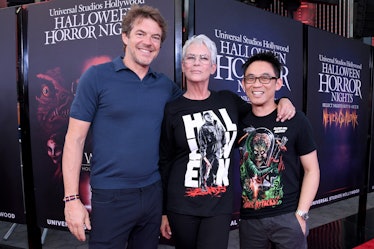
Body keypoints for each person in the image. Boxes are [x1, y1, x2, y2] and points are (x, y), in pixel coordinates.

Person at [159, 34, 296, 249]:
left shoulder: (228, 100)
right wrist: (164, 211)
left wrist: (283, 100)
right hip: (181, 205)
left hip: (219, 205)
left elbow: (261, 110)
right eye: (191, 58)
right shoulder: (172, 108)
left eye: (204, 58)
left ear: (213, 67)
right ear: (183, 65)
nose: (197, 63)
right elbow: (165, 161)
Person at [62, 5, 182, 249]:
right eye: (140, 34)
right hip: (111, 196)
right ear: (125, 37)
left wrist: (280, 100)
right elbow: (74, 140)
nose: (148, 42)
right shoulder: (96, 77)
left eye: (155, 37)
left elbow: (200, 103)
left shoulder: (164, 86)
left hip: (152, 194)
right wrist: (72, 199)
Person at [238, 51, 320, 249]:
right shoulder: (237, 119)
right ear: (243, 84)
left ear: (278, 83)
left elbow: (312, 170)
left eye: (265, 78)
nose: (257, 84)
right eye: (251, 78)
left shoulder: (296, 120)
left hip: (288, 218)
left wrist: (301, 215)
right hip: (250, 220)